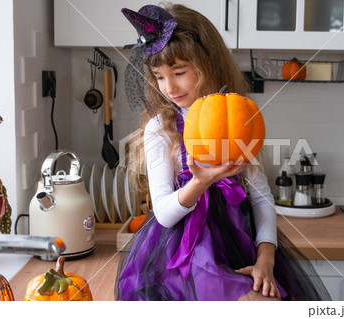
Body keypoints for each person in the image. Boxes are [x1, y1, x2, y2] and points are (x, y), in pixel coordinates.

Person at [115, 3, 330, 301]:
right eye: (159, 76)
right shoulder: (160, 127)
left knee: (270, 299)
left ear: (207, 65)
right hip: (185, 258)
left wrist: (265, 259)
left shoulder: (237, 116)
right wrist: (200, 181)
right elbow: (164, 215)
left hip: (239, 245)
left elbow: (261, 195)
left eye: (179, 72)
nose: (169, 87)